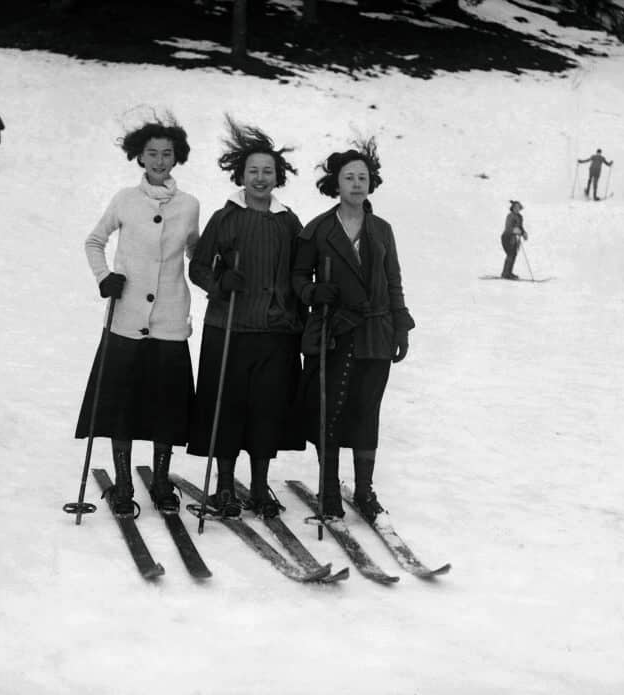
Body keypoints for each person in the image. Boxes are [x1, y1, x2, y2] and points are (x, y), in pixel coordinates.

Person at [75, 115, 200, 517]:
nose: (160, 161)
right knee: (122, 403)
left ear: (176, 157)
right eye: (152, 154)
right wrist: (105, 276)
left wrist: (216, 261)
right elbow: (95, 241)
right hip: (126, 317)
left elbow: (196, 253)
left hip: (169, 318)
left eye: (167, 154)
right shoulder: (124, 199)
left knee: (167, 403)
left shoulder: (189, 205)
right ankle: (124, 482)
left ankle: (162, 481)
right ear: (140, 157)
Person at [187, 115, 306, 519]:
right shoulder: (225, 217)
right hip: (230, 327)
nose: (260, 178)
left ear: (278, 177)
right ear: (241, 174)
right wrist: (221, 282)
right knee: (228, 407)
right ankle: (223, 486)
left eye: (267, 171)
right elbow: (198, 267)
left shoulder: (289, 221)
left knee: (267, 409)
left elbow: (300, 274)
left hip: (277, 332)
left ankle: (258, 486)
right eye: (253, 171)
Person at [291, 138, 415, 522]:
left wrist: (401, 325)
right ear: (337, 183)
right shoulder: (317, 229)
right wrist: (314, 291)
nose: (357, 184)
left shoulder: (382, 230)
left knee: (367, 411)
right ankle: (329, 491)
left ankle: (364, 491)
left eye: (363, 177)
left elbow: (393, 280)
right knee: (331, 410)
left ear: (370, 183)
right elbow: (297, 276)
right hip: (335, 331)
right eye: (349, 177)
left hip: (376, 333)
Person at [500, 199, 528, 279]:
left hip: (514, 238)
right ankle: (505, 273)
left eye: (518, 207)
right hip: (507, 237)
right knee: (510, 254)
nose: (517, 209)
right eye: (515, 207)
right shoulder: (510, 216)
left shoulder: (520, 217)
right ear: (512, 208)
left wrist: (523, 233)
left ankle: (508, 272)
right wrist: (514, 230)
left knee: (513, 254)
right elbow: (508, 227)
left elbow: (520, 227)